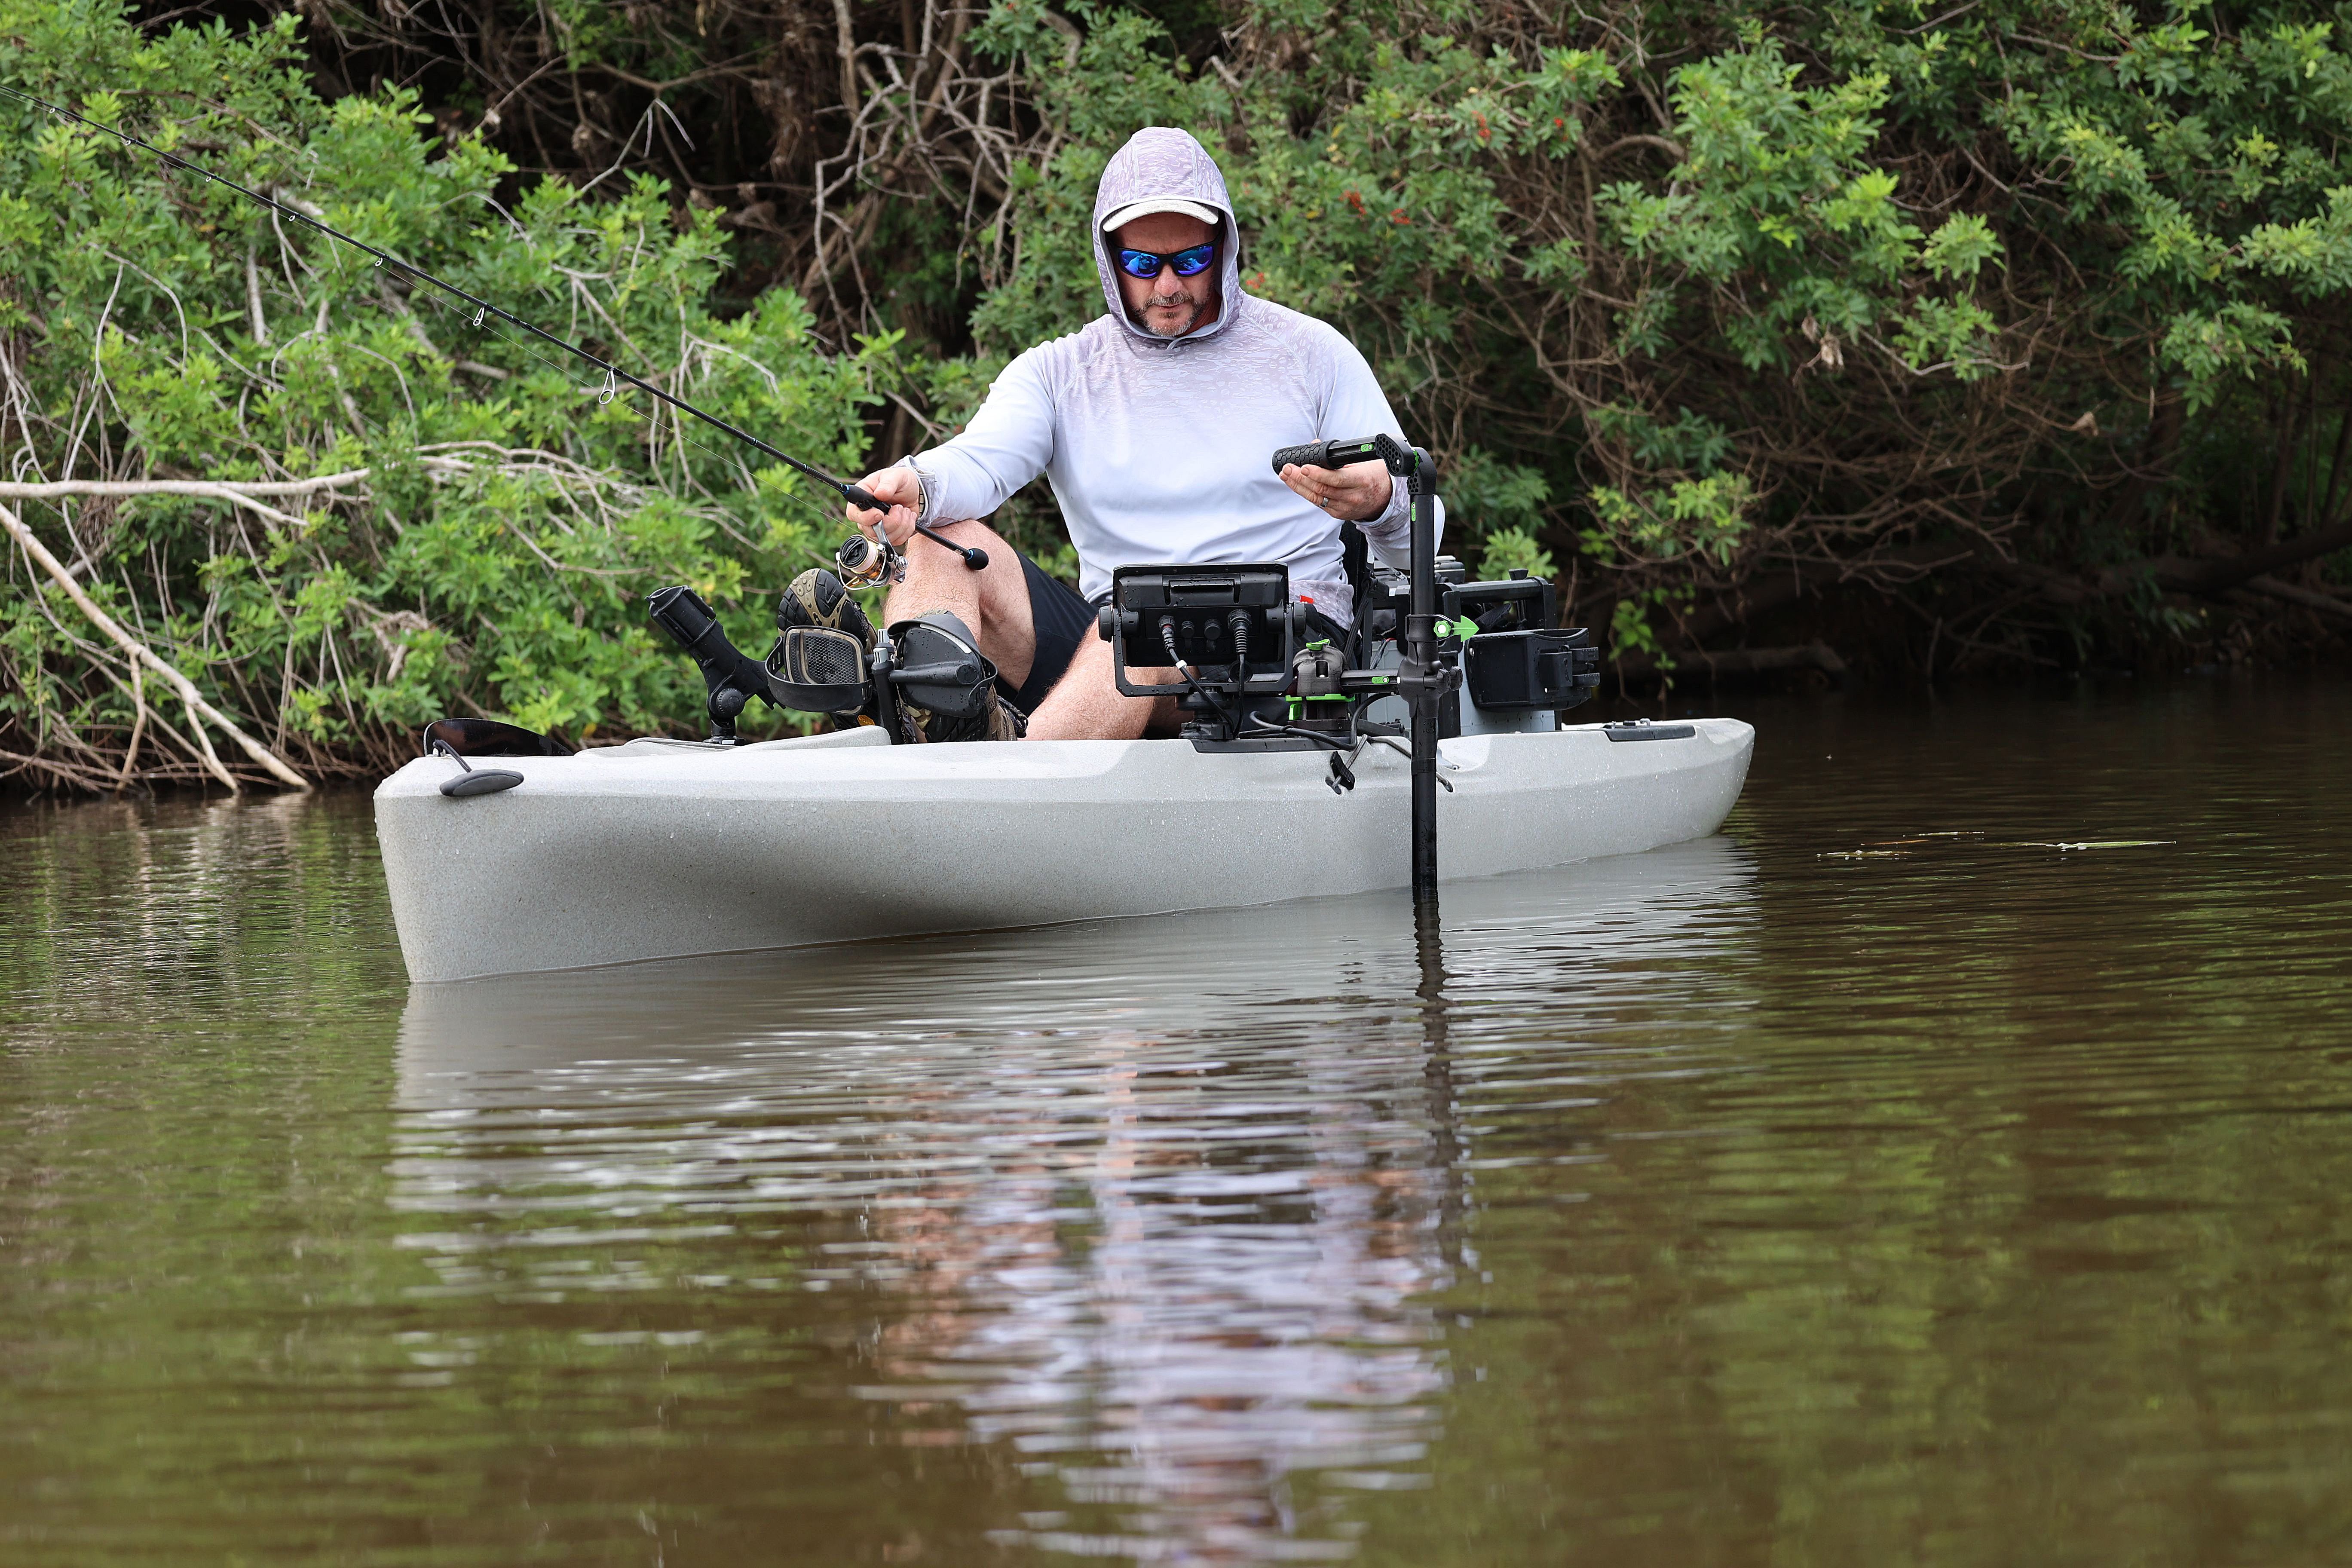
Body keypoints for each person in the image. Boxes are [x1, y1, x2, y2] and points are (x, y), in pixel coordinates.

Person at [781, 125, 1436, 741]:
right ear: (1110, 259)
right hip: (1109, 641)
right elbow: (979, 462)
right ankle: (937, 714)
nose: (1172, 285)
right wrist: (916, 485)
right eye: (1146, 265)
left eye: (1193, 260)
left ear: (1226, 250)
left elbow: (1424, 534)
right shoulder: (1060, 370)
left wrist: (1381, 503)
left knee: (1144, 632)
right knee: (942, 541)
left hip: (1282, 642)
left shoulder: (1311, 353)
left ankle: (1001, 787)